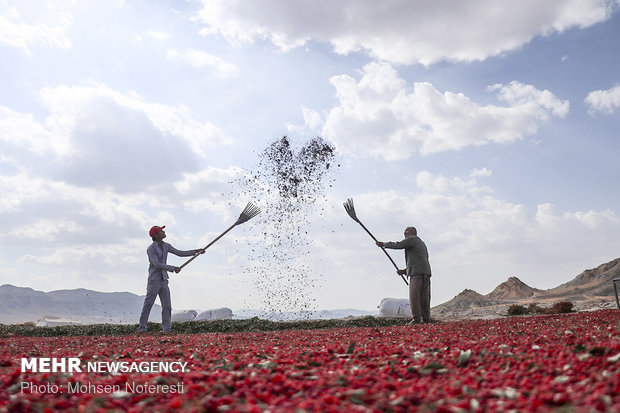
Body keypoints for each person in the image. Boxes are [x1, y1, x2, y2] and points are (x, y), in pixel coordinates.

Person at [138, 225, 205, 333]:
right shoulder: (151, 249)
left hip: (164, 279)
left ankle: (167, 329)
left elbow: (179, 253)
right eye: (161, 231)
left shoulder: (166, 246)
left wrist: (196, 251)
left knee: (167, 306)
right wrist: (172, 268)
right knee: (148, 304)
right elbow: (156, 264)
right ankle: (142, 329)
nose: (163, 232)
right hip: (154, 280)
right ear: (156, 235)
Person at [376, 226, 432, 324]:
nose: (404, 234)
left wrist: (384, 244)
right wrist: (404, 271)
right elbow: (418, 262)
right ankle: (426, 320)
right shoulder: (421, 243)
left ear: (409, 233)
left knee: (414, 297)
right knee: (424, 298)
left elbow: (399, 245)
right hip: (425, 273)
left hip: (417, 275)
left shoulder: (412, 239)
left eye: (405, 232)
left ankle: (416, 320)